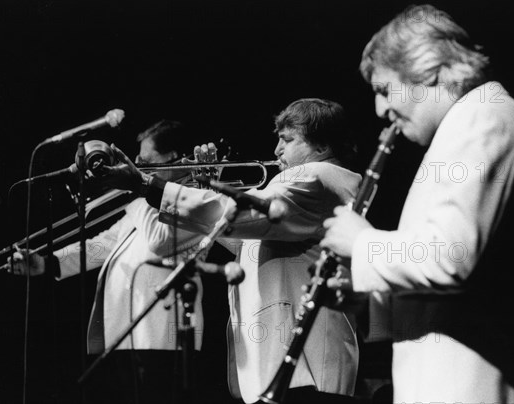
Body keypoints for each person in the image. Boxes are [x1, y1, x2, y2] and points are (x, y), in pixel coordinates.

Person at [320, 5, 514, 404]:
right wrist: (365, 286)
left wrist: (361, 243)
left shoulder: (484, 122)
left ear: (426, 71)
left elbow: (450, 257)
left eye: (383, 89)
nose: (380, 110)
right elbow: (478, 276)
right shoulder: (474, 122)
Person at [104, 98, 362, 404]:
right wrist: (208, 185)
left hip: (305, 361)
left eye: (288, 140)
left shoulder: (316, 176)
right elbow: (243, 239)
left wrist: (147, 185)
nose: (277, 150)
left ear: (321, 147)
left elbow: (244, 217)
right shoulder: (304, 184)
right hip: (287, 360)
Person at [10, 120, 206, 403]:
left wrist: (140, 190)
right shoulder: (144, 206)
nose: (136, 164)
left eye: (145, 160)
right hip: (124, 335)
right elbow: (103, 245)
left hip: (164, 338)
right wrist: (48, 262)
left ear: (173, 158)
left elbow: (159, 240)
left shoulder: (194, 199)